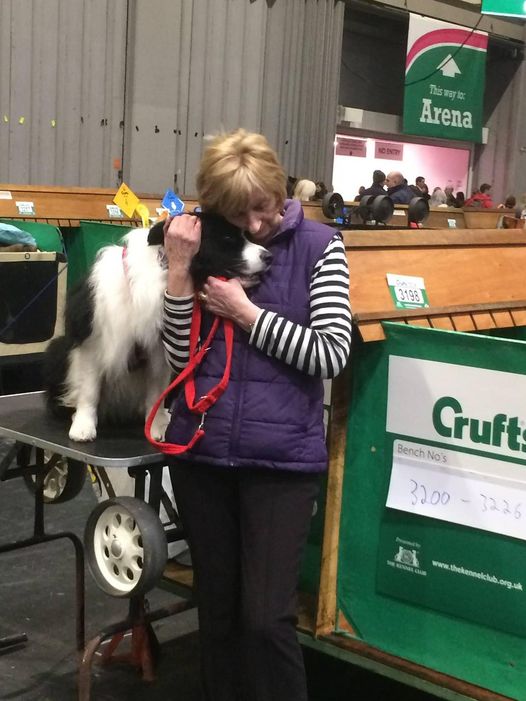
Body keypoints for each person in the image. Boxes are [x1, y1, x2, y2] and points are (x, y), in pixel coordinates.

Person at [161, 128, 352, 701]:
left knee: (267, 620)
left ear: (281, 191)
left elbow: (331, 353)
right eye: (238, 214)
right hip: (203, 454)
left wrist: (247, 315)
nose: (254, 226)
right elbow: (179, 363)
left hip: (280, 464)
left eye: (262, 209)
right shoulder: (202, 244)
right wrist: (178, 274)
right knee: (216, 613)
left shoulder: (321, 246)